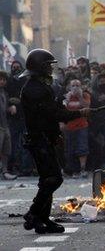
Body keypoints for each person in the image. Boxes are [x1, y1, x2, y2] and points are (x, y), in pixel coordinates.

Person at [20, 49, 90, 234]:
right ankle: (34, 213)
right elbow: (54, 113)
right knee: (53, 179)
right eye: (48, 65)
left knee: (47, 180)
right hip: (39, 140)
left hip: (45, 138)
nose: (52, 68)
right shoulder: (34, 89)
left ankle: (42, 220)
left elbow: (54, 110)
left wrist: (56, 132)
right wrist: (79, 113)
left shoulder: (43, 85)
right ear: (40, 67)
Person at [63, 79, 91, 178]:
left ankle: (83, 169)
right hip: (69, 127)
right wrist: (67, 99)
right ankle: (74, 170)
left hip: (81, 126)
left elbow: (86, 107)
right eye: (73, 85)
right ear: (69, 87)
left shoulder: (85, 95)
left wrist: (79, 96)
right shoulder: (66, 96)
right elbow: (62, 109)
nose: (75, 87)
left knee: (82, 148)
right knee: (70, 149)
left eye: (77, 85)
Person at [0, 71, 16, 180]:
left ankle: (4, 171)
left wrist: (10, 108)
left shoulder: (4, 93)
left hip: (5, 124)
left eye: (4, 79)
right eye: (0, 79)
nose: (2, 81)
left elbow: (3, 109)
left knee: (6, 149)